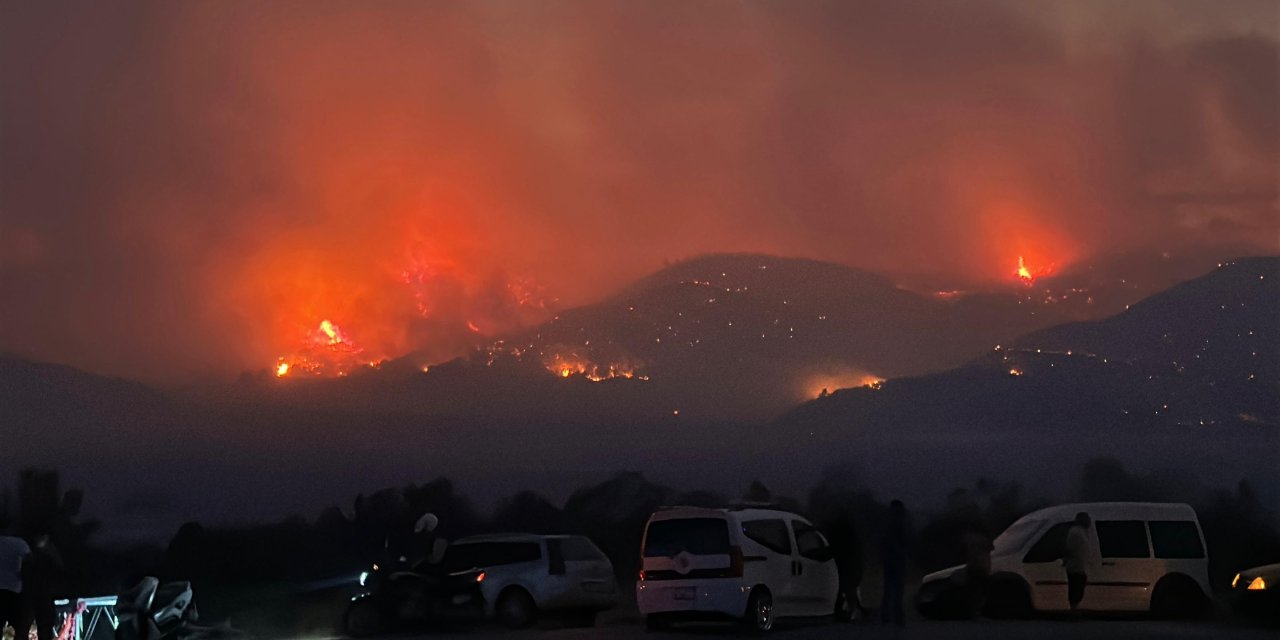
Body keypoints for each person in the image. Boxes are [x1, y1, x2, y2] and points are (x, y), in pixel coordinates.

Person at [16, 533, 63, 640]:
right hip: (38, 596)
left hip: (36, 596)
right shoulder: (48, 555)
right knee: (31, 627)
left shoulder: (31, 554)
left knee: (30, 627)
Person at [880, 500, 908, 627]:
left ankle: (886, 616)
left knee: (888, 589)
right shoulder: (900, 522)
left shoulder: (887, 522)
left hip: (888, 560)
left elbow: (883, 541)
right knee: (897, 590)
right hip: (897, 560)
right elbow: (905, 541)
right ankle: (898, 617)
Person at [0, 532, 31, 637]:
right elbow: (29, 566)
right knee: (21, 628)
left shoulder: (20, 543)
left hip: (11, 590)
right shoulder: (20, 544)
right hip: (14, 590)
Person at [1062, 512, 1092, 613]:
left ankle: (1074, 608)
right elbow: (1071, 549)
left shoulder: (1080, 531)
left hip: (1079, 566)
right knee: (1076, 589)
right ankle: (1073, 609)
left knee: (1077, 588)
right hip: (1076, 566)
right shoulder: (1076, 532)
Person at [961, 526, 993, 619]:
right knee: (981, 591)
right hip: (981, 567)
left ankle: (973, 612)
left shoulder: (967, 537)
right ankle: (977, 612)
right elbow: (990, 549)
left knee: (972, 590)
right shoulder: (983, 538)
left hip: (972, 566)